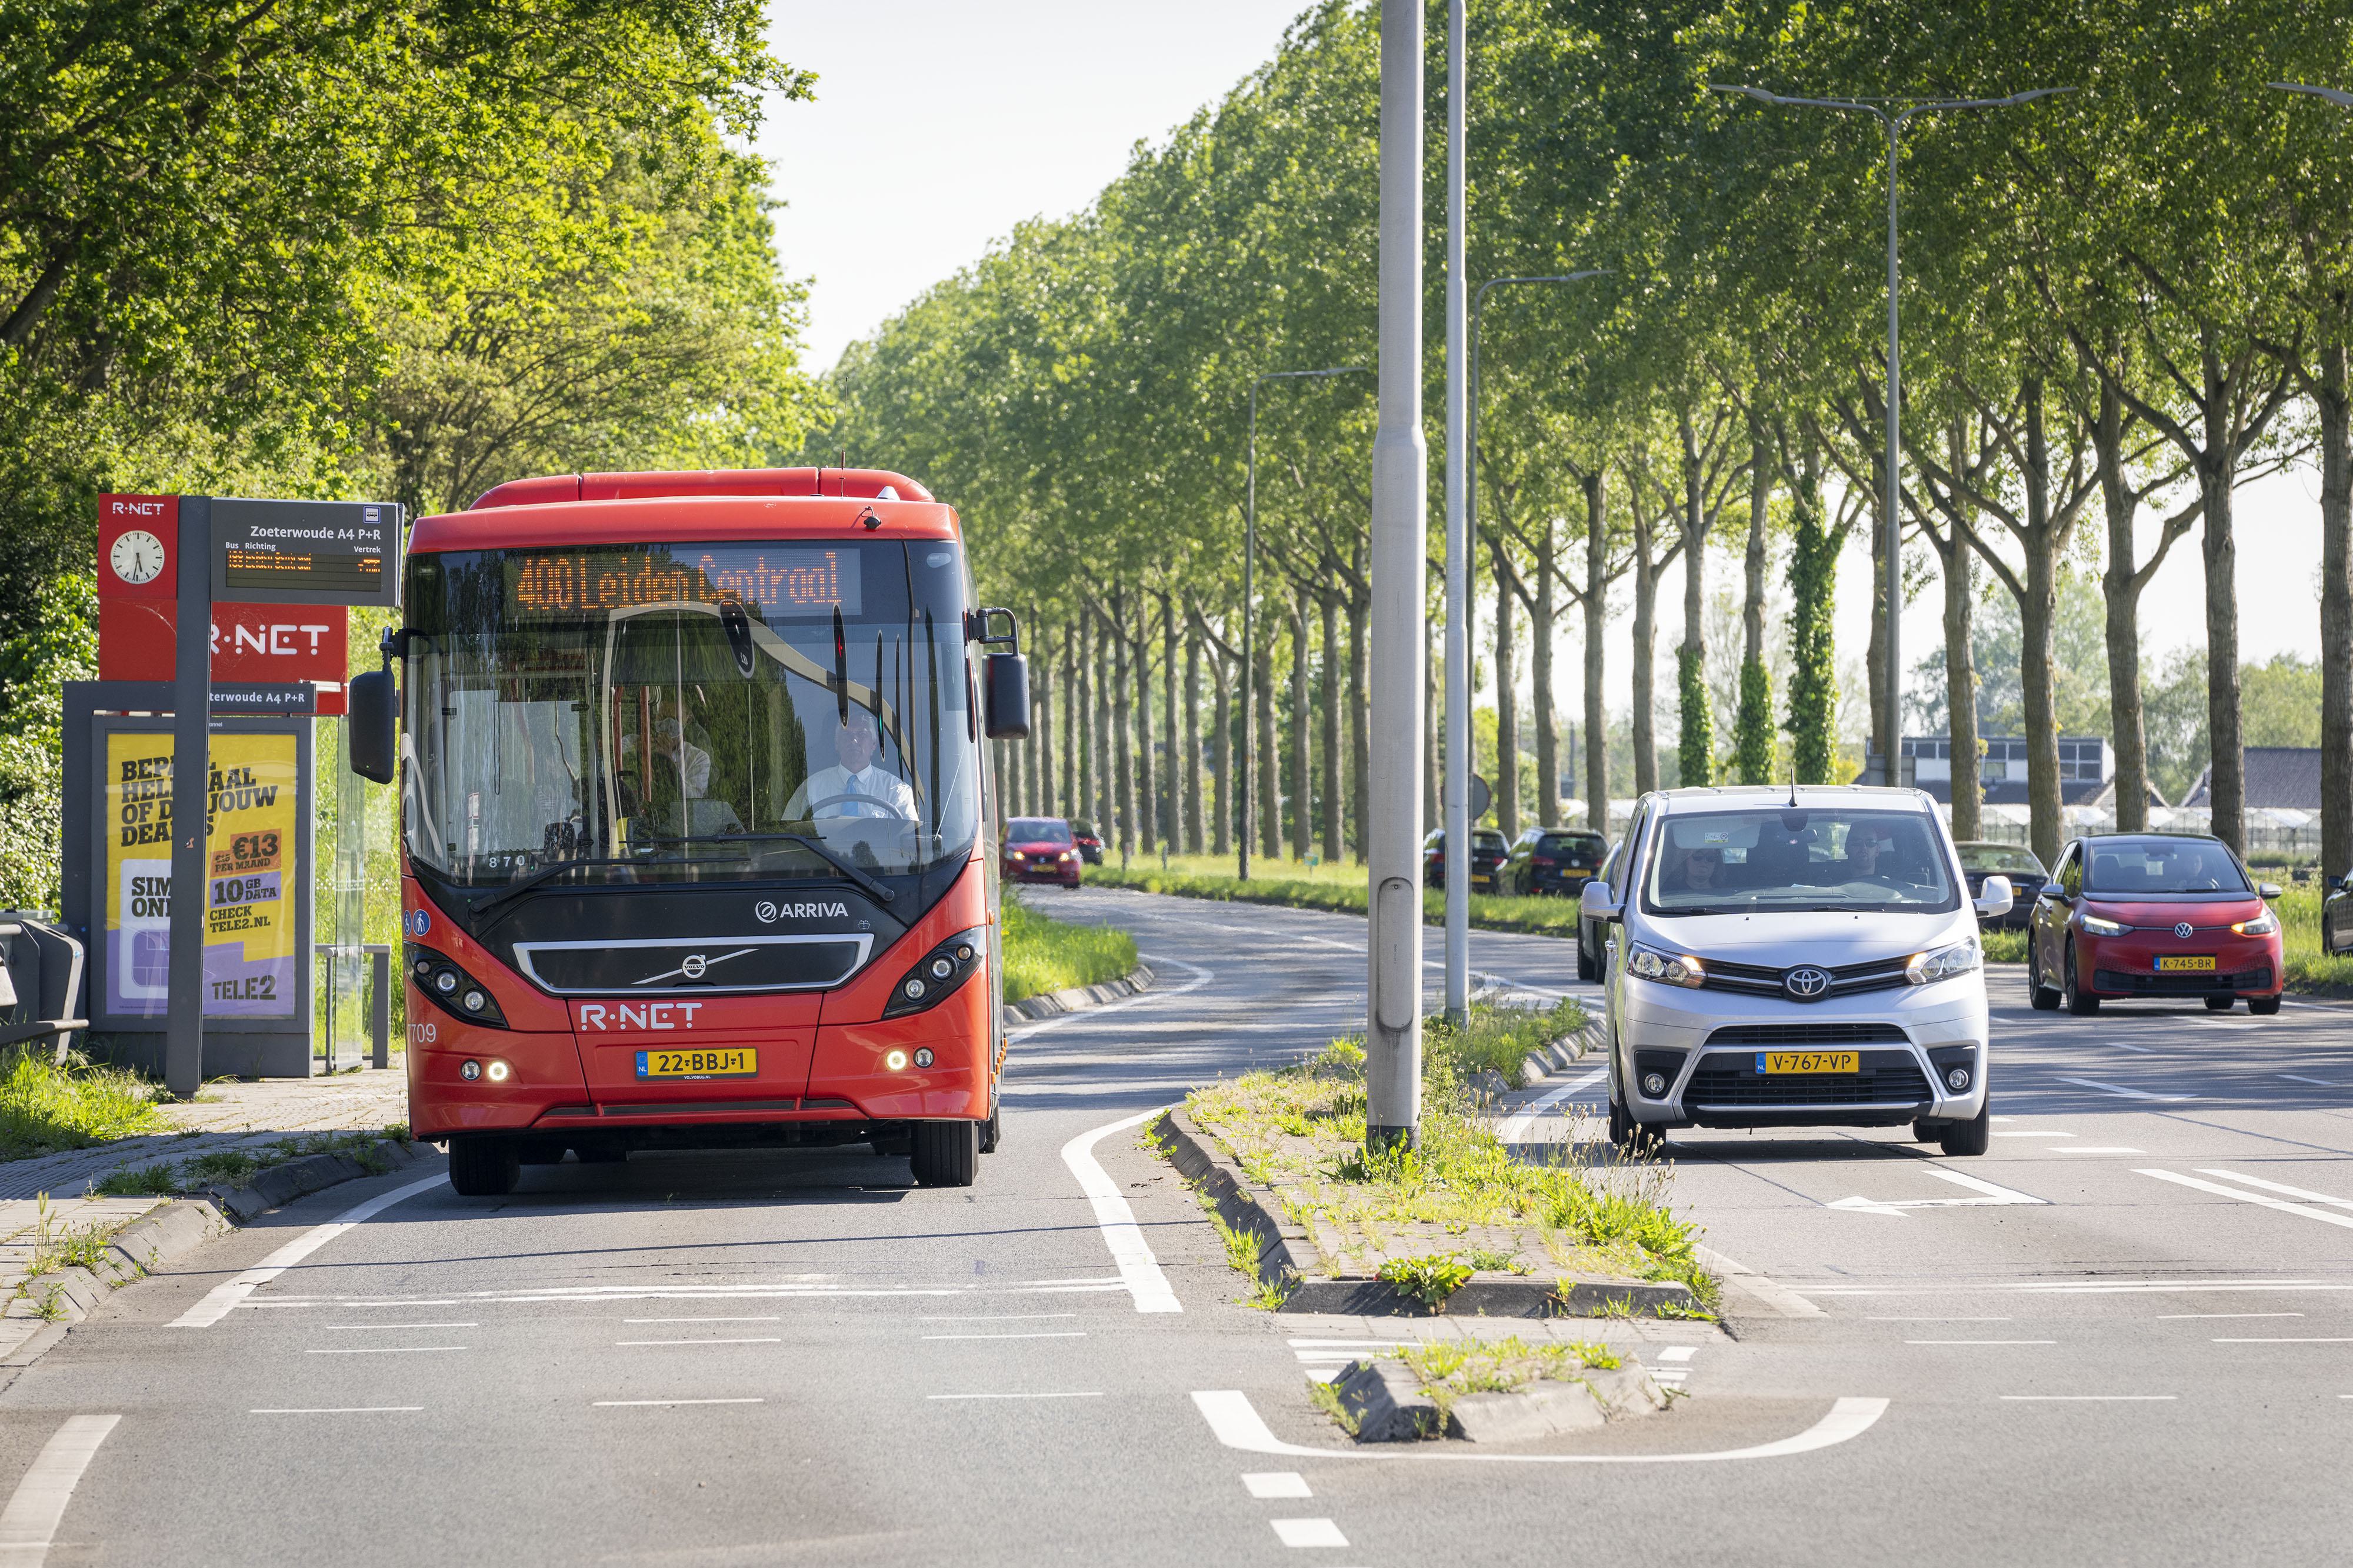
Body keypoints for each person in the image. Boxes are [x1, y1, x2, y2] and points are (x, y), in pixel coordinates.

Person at [786, 707, 915, 820]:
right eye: (846, 734)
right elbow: (786, 835)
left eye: (862, 734)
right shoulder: (810, 789)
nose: (853, 740)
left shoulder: (896, 792)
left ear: (874, 744)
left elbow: (912, 841)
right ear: (837, 743)